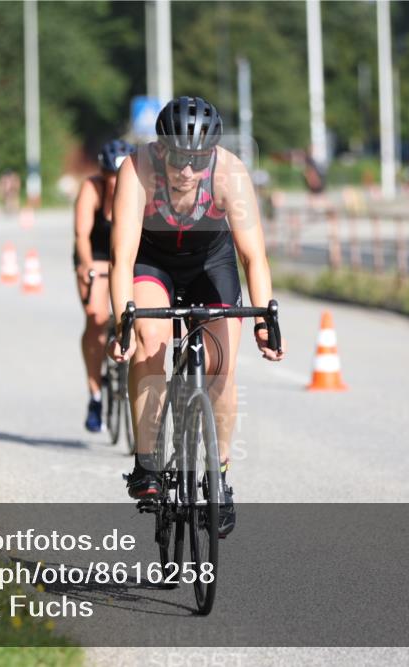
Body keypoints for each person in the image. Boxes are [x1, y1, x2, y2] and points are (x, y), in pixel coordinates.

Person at [108, 96, 285, 537]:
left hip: (211, 262)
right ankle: (147, 462)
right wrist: (120, 324)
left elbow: (254, 256)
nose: (186, 171)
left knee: (221, 365)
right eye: (178, 158)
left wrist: (265, 320)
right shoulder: (136, 170)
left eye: (196, 160)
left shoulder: (230, 173)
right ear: (162, 149)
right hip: (153, 262)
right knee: (149, 343)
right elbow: (121, 257)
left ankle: (218, 478)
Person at [75, 139, 135, 432]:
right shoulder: (92, 189)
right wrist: (86, 266)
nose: (116, 183)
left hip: (126, 256)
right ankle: (95, 394)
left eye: (120, 176)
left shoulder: (139, 189)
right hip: (97, 256)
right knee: (97, 318)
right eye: (111, 176)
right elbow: (82, 236)